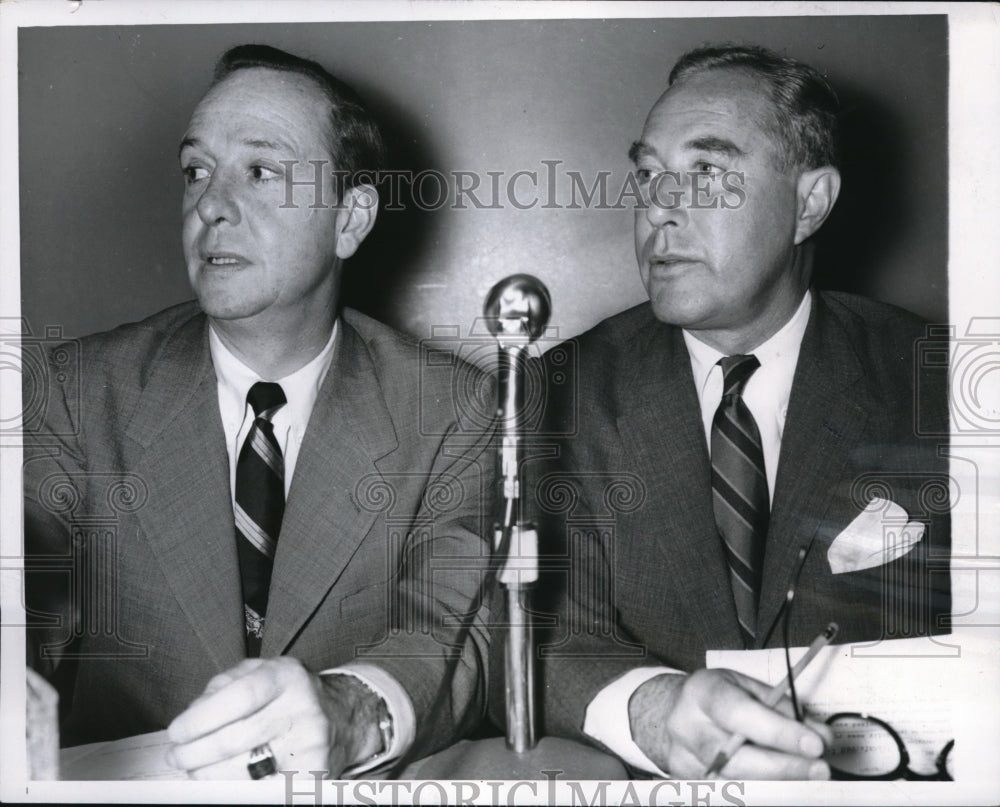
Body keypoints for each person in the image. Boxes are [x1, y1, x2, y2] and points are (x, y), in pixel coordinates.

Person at [23, 44, 494, 779]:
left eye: (260, 170)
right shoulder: (75, 389)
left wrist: (352, 710)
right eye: (196, 171)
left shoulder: (451, 409)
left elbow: (454, 635)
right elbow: (21, 604)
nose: (210, 204)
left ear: (350, 218)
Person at [527, 44, 951, 779]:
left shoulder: (938, 382)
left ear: (809, 203)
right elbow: (540, 633)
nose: (659, 208)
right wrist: (655, 712)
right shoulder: (557, 392)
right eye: (650, 174)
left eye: (706, 174)